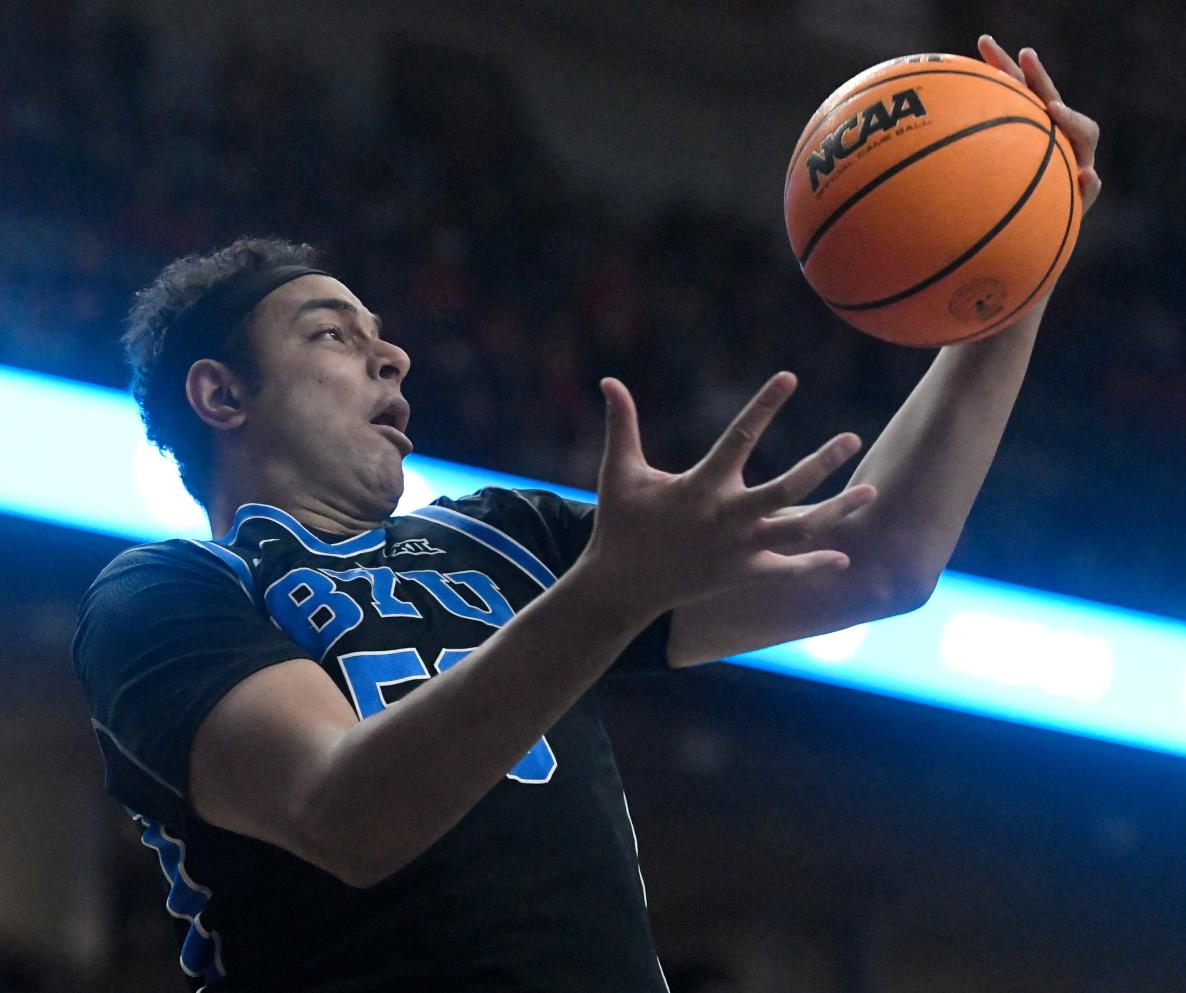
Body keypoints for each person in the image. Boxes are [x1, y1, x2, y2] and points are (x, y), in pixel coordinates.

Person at [73, 37, 1099, 993]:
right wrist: (609, 593)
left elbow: (875, 562)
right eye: (332, 336)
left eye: (382, 335)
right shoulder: (168, 595)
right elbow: (349, 812)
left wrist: (1019, 270)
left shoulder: (507, 535)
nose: (392, 355)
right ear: (220, 396)